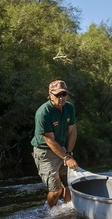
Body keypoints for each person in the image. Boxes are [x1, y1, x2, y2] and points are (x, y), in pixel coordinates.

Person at [31, 80, 79, 208]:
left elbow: (73, 131)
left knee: (70, 185)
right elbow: (49, 141)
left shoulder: (69, 108)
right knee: (56, 190)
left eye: (63, 94)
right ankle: (50, 213)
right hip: (45, 151)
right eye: (57, 94)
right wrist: (66, 158)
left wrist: (68, 153)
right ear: (50, 94)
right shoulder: (43, 112)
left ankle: (68, 210)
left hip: (62, 149)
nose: (61, 97)